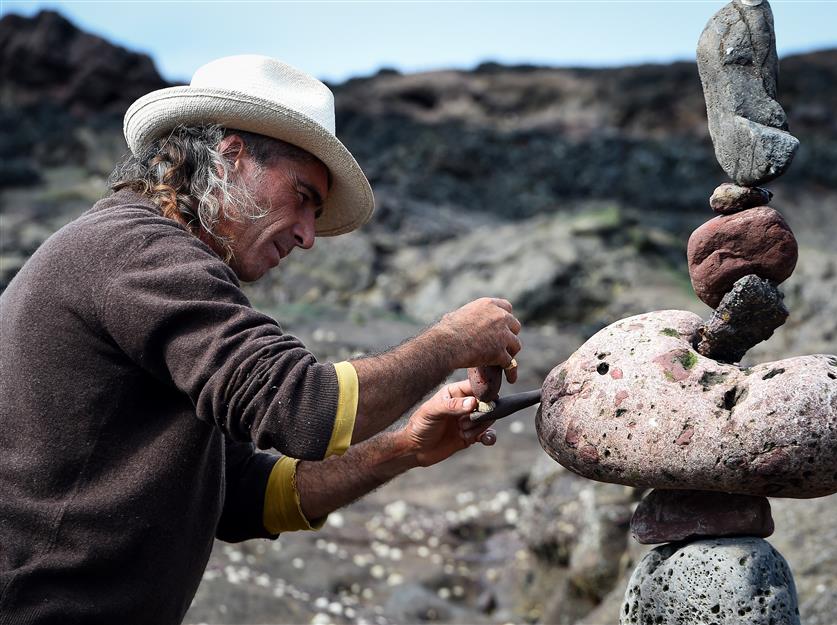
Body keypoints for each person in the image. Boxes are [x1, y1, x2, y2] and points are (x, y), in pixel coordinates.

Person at [0, 55, 522, 624]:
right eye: (302, 197)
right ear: (230, 157)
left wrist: (404, 448)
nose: (306, 236)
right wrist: (451, 339)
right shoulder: (135, 249)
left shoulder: (146, 260)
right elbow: (301, 409)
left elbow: (245, 496)